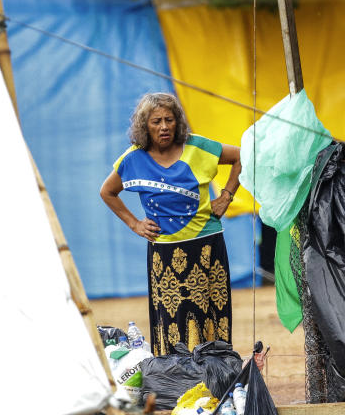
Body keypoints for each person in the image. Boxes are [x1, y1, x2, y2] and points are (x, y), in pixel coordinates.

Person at [100, 92, 241, 356]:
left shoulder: (198, 147)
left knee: (212, 314)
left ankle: (215, 375)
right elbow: (107, 191)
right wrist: (135, 224)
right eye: (156, 122)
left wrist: (226, 196)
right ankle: (177, 382)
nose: (164, 127)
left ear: (178, 122)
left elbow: (241, 157)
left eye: (169, 120)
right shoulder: (133, 158)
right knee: (172, 320)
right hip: (164, 253)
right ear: (145, 126)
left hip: (207, 247)